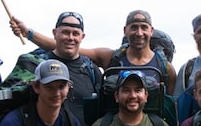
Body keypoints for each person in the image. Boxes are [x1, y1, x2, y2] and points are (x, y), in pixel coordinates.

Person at [13, 10, 175, 92]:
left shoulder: (166, 68)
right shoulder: (111, 58)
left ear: (151, 31)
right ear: (125, 30)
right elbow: (68, 47)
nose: (139, 33)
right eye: (134, 28)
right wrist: (29, 34)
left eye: (143, 28)